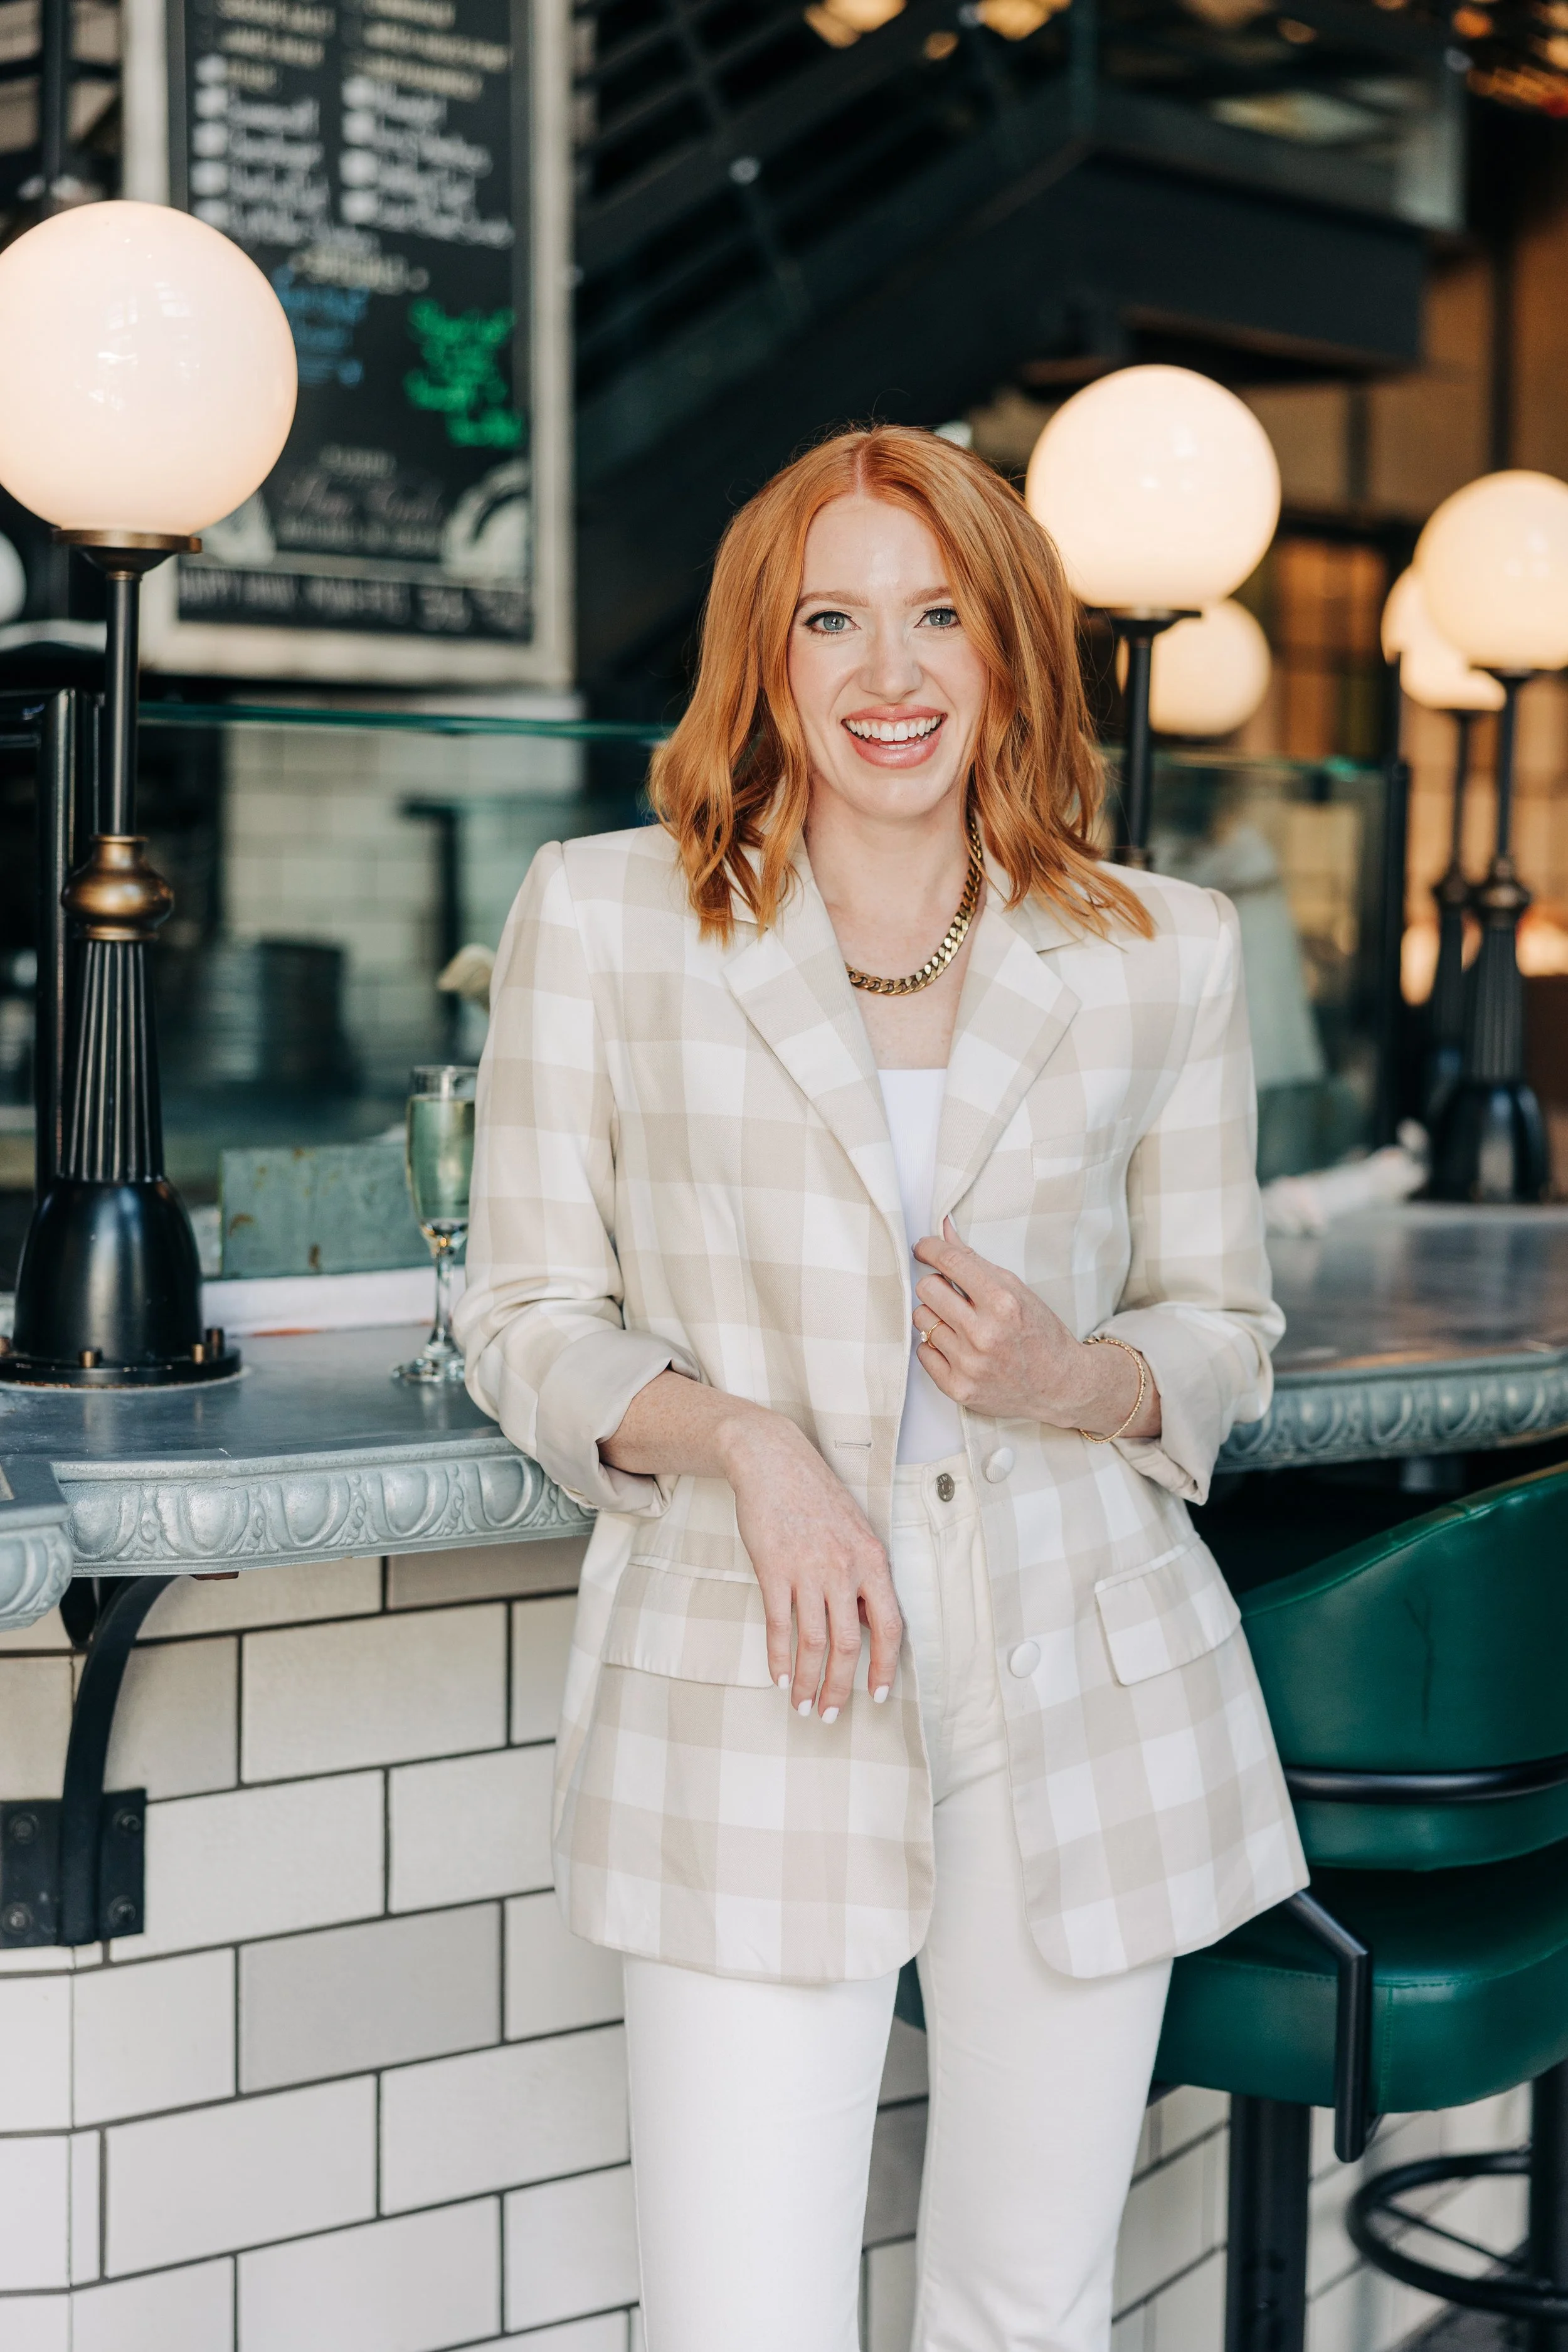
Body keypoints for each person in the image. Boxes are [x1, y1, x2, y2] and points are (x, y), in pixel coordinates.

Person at [455, 425, 1307, 2352]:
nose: (887, 673)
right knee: (740, 2312)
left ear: (1009, 647)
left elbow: (1217, 1325)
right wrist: (746, 1441)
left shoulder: (1161, 949)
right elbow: (519, 1311)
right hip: (757, 1670)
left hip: (1074, 1681)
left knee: (1025, 2300)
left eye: (936, 617)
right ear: (765, 658)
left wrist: (1072, 1371)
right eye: (830, 620)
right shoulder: (607, 920)